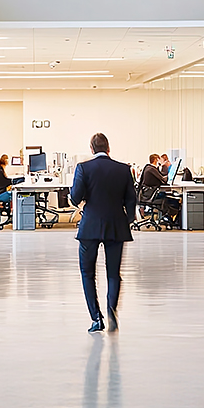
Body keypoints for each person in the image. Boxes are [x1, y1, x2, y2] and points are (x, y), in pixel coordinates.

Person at [70, 133, 137, 334]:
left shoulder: (83, 168)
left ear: (91, 149)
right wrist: (126, 220)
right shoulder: (123, 169)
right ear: (108, 149)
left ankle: (96, 318)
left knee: (87, 273)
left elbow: (75, 198)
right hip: (116, 225)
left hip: (89, 226)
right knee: (113, 273)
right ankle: (111, 311)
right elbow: (131, 200)